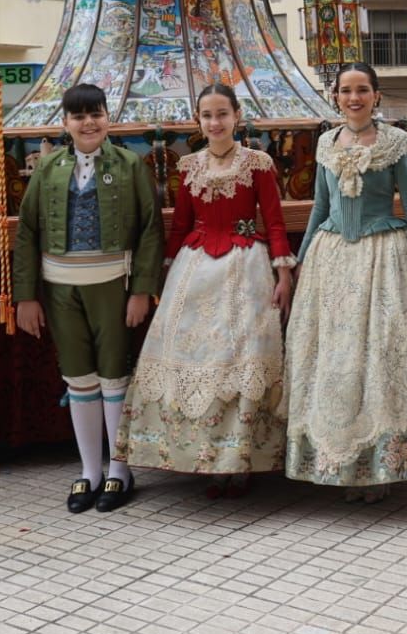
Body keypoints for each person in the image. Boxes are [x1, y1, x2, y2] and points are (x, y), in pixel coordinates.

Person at [284, 63, 407, 499]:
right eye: (346, 90)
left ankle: (382, 464)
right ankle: (343, 461)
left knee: (381, 356)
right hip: (331, 259)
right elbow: (320, 207)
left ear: (376, 95)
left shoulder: (395, 142)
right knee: (336, 360)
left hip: (384, 255)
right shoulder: (326, 143)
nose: (354, 98)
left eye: (362, 90)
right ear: (335, 96)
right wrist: (303, 259)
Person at [116, 83, 295, 497]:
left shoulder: (258, 163)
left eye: (222, 114)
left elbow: (274, 221)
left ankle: (241, 461)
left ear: (237, 116)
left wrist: (283, 273)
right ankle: (205, 459)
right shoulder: (189, 166)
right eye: (208, 116)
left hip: (246, 268)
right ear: (198, 121)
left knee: (240, 356)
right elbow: (181, 223)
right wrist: (166, 270)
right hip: (194, 269)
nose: (216, 122)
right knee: (196, 356)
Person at [14, 83, 164, 514]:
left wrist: (142, 290)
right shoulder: (48, 168)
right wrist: (26, 296)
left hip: (112, 284)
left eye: (96, 114)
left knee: (114, 375)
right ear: (65, 122)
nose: (88, 123)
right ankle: (89, 470)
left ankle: (120, 469)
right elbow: (27, 231)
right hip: (60, 287)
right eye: (79, 116)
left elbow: (150, 230)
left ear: (108, 118)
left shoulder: (130, 165)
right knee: (78, 378)